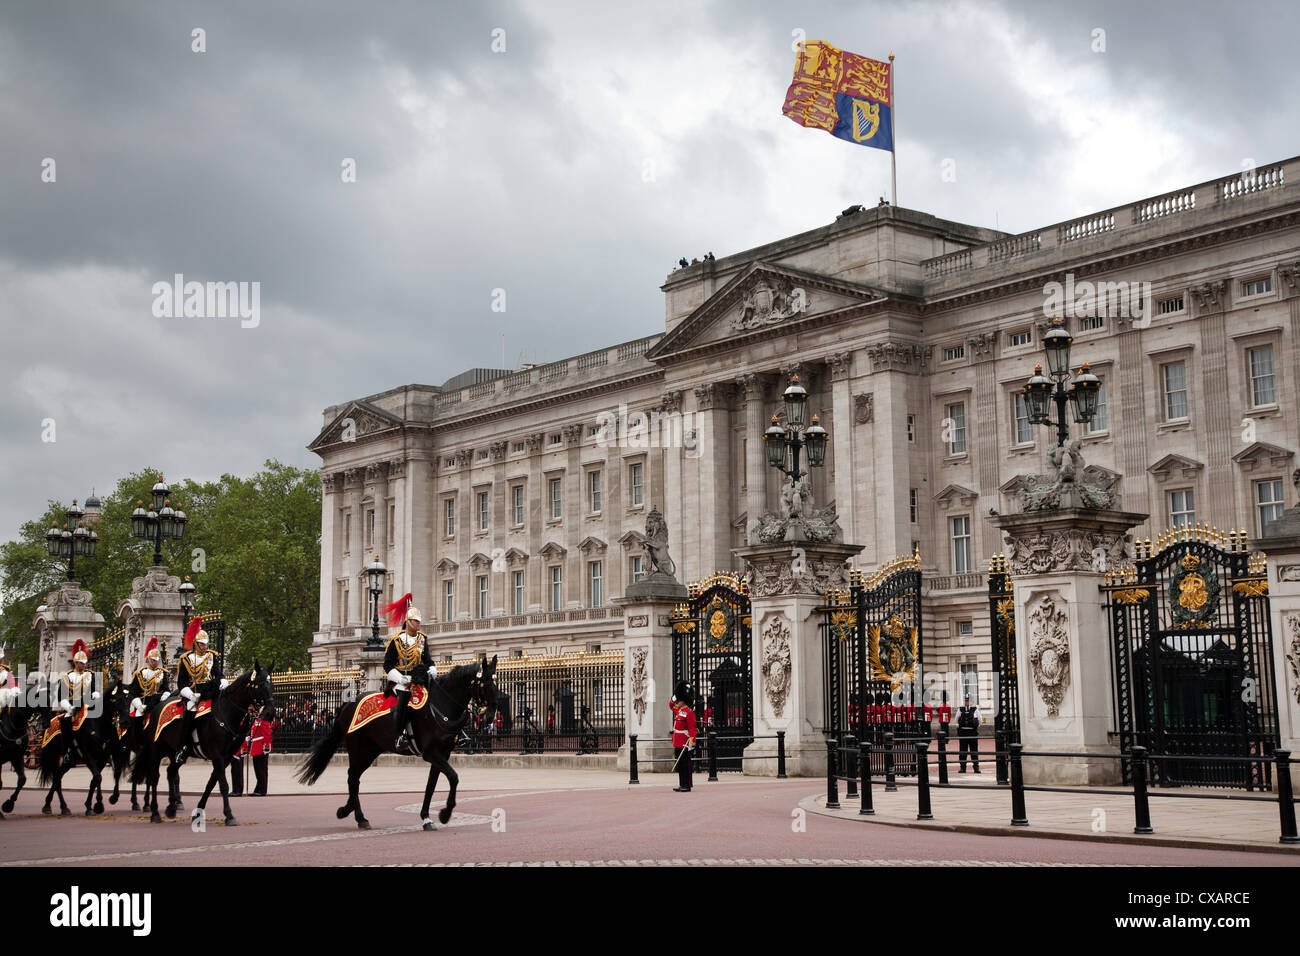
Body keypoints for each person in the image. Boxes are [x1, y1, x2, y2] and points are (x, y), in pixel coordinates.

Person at [381, 593, 434, 752]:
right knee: (404, 700)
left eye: (419, 621)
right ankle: (399, 735)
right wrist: (400, 678)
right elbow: (387, 665)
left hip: (419, 678)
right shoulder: (397, 640)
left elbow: (427, 660)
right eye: (415, 621)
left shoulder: (423, 639)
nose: (418, 624)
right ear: (408, 622)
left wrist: (432, 668)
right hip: (401, 680)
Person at [56, 640, 98, 763]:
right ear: (75, 663)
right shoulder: (67, 676)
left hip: (88, 706)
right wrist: (69, 708)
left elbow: (95, 690)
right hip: (73, 707)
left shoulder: (91, 674)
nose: (83, 665)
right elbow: (61, 696)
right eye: (81, 663)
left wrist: (96, 695)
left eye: (84, 663)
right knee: (65, 723)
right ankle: (66, 752)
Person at [177, 617, 226, 713]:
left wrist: (223, 680)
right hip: (193, 692)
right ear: (195, 643)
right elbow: (181, 682)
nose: (205, 646)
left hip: (209, 690)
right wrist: (190, 695)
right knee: (191, 709)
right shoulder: (186, 658)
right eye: (202, 644)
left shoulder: (211, 656)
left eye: (206, 644)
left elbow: (218, 673)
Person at [127, 638, 171, 728]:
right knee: (138, 717)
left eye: (157, 660)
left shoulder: (163, 673)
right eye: (153, 660)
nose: (156, 662)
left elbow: (166, 689)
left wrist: (165, 695)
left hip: (158, 701)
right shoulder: (140, 673)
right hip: (144, 703)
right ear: (148, 659)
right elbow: (133, 693)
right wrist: (138, 705)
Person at [669, 681, 697, 793]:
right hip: (678, 742)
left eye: (679, 700)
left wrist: (692, 741)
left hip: (685, 742)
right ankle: (682, 784)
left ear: (683, 701)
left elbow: (692, 728)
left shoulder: (689, 713)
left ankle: (686, 785)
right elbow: (671, 705)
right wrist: (675, 695)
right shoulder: (679, 711)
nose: (677, 702)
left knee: (685, 764)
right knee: (680, 764)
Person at [247, 713, 273, 796]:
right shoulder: (257, 720)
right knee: (258, 770)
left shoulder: (264, 721)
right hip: (256, 746)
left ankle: (262, 790)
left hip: (261, 747)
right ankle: (258, 788)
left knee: (261, 770)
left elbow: (267, 734)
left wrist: (266, 747)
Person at [957, 696, 982, 773]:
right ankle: (963, 767)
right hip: (963, 732)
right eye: (966, 700)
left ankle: (976, 767)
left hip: (972, 732)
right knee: (963, 751)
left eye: (968, 701)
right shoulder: (960, 709)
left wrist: (974, 727)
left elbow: (980, 720)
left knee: (974, 751)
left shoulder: (975, 710)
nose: (966, 702)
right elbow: (956, 719)